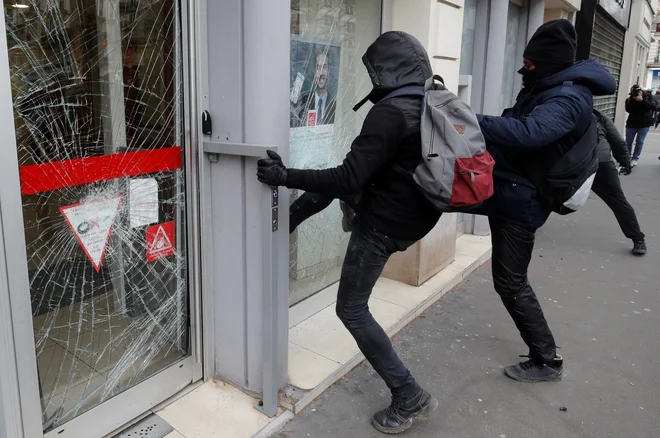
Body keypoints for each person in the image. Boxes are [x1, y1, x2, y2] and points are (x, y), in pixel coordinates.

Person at [258, 31, 441, 434]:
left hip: (385, 222)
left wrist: (283, 176)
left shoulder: (392, 112)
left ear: (386, 70)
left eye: (374, 71)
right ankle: (288, 224)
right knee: (329, 191)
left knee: (351, 309)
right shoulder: (431, 98)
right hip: (416, 211)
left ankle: (410, 395)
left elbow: (346, 178)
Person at [475, 20, 617, 382]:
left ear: (546, 62)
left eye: (530, 62)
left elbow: (530, 133)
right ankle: (369, 203)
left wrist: (468, 120)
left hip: (522, 203)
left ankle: (546, 359)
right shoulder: (545, 87)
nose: (524, 67)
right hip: (507, 189)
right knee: (437, 191)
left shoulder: (568, 97)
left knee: (510, 281)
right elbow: (517, 122)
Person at [592, 109, 647, 255]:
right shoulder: (597, 114)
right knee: (618, 201)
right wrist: (625, 162)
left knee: (545, 191)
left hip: (573, 164)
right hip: (601, 161)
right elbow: (617, 140)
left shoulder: (557, 109)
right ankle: (638, 240)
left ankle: (527, 226)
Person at [295, 52, 336, 126]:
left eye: (324, 67)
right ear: (314, 72)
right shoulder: (303, 103)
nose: (321, 73)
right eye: (318, 67)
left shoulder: (335, 106)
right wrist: (295, 112)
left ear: (329, 71)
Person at [624, 84, 654, 166]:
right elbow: (628, 109)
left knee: (639, 142)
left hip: (644, 123)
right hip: (632, 123)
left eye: (638, 91)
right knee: (628, 142)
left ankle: (635, 158)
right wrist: (633, 100)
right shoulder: (630, 99)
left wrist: (642, 100)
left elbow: (651, 107)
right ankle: (627, 157)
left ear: (642, 91)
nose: (637, 93)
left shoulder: (648, 97)